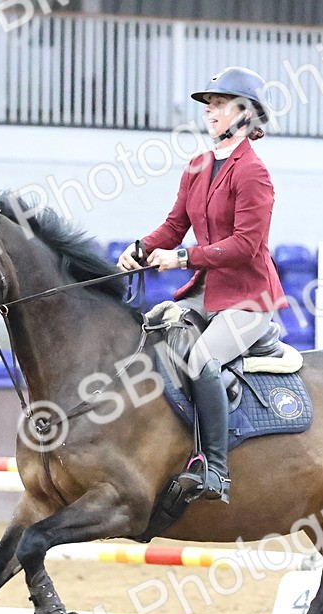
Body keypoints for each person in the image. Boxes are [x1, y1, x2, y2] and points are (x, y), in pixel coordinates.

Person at [118, 66, 286, 504]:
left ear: (245, 113)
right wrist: (141, 247)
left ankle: (215, 469)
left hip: (248, 297)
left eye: (220, 104)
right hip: (205, 291)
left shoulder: (253, 173)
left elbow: (246, 245)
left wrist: (182, 258)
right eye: (209, 104)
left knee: (201, 360)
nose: (209, 111)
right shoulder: (197, 167)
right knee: (154, 335)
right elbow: (175, 225)